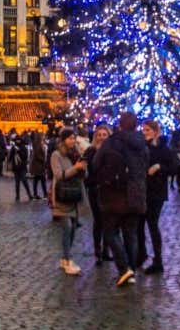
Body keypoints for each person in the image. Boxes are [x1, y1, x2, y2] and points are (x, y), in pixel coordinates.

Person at [93, 112, 147, 286]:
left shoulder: (111, 142)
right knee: (131, 234)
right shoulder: (142, 145)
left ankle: (124, 268)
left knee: (110, 232)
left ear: (120, 124)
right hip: (136, 194)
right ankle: (130, 271)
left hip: (114, 194)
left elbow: (96, 164)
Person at [137, 120, 177, 273]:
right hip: (142, 190)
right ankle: (141, 254)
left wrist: (160, 167)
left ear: (155, 132)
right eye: (144, 130)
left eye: (148, 130)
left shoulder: (163, 149)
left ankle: (158, 260)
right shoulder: (141, 148)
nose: (145, 133)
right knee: (139, 224)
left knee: (152, 224)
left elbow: (175, 167)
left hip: (156, 192)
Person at [50, 128, 86, 275]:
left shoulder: (76, 154)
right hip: (62, 195)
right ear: (63, 139)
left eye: (74, 138)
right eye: (70, 138)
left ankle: (66, 258)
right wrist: (75, 168)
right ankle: (67, 258)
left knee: (72, 230)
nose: (73, 141)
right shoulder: (56, 155)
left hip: (74, 195)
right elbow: (59, 175)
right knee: (67, 228)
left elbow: (82, 174)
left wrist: (82, 168)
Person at [82, 125, 110, 264]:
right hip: (94, 189)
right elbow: (83, 168)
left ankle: (106, 250)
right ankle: (97, 251)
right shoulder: (90, 151)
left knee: (108, 221)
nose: (101, 137)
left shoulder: (112, 151)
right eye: (99, 135)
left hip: (109, 190)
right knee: (98, 220)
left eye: (104, 134)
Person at [10, 134, 33, 202]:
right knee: (17, 182)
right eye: (16, 140)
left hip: (22, 166)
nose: (18, 141)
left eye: (19, 140)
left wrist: (19, 151)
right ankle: (17, 196)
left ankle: (29, 194)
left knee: (24, 180)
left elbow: (25, 156)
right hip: (16, 167)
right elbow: (11, 156)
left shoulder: (23, 147)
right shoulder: (13, 148)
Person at [29, 131, 48, 200]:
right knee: (41, 180)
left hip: (38, 166)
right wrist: (43, 160)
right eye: (43, 136)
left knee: (36, 180)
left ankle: (36, 194)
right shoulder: (38, 144)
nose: (44, 137)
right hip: (39, 166)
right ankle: (44, 194)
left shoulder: (39, 144)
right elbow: (37, 155)